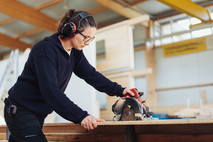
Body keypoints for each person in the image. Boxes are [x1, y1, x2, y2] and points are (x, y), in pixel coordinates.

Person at [4, 9, 134, 142]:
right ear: (70, 30)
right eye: (85, 37)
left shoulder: (74, 53)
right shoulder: (45, 50)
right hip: (20, 110)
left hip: (37, 112)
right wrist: (82, 116)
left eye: (91, 38)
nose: (88, 42)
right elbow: (51, 92)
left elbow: (91, 75)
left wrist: (121, 91)